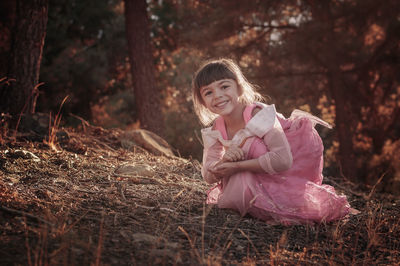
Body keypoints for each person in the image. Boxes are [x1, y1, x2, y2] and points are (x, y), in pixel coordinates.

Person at [192, 58, 352, 225]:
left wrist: (236, 166)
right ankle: (257, 206)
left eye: (224, 86)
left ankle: (276, 208)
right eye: (208, 92)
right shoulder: (216, 129)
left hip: (283, 174)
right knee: (239, 179)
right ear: (202, 101)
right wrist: (225, 161)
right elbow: (209, 176)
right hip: (253, 177)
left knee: (242, 171)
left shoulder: (258, 115)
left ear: (239, 88)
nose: (217, 95)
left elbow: (283, 160)